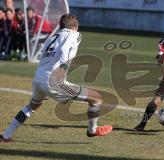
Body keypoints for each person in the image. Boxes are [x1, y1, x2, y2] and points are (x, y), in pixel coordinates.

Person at [0, 14, 112, 142]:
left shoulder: (52, 37)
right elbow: (65, 50)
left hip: (38, 78)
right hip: (53, 80)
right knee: (96, 98)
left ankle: (6, 134)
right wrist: (62, 70)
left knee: (31, 107)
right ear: (75, 27)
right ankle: (92, 130)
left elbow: (44, 56)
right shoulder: (74, 34)